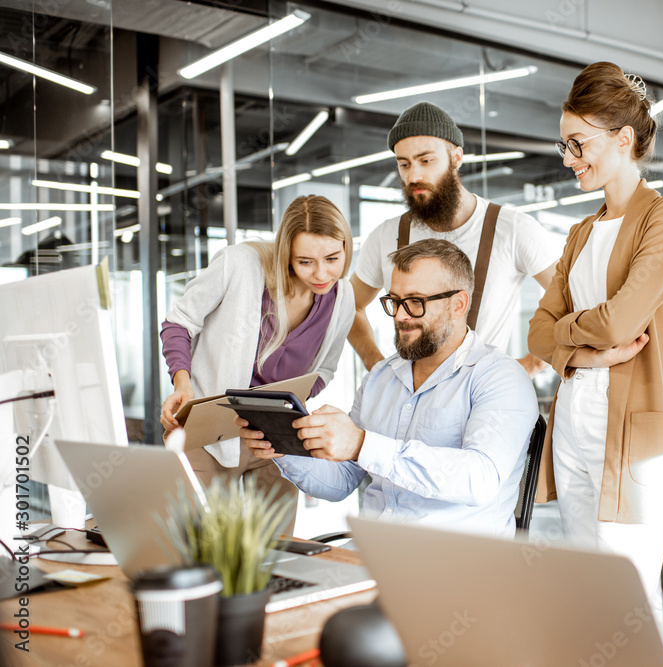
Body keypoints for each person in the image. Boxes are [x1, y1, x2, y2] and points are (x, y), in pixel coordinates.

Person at [527, 62, 663, 615]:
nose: (568, 159)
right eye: (564, 146)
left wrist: (575, 339)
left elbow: (619, 322)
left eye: (577, 143)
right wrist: (585, 352)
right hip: (577, 415)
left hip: (635, 428)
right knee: (586, 581)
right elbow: (536, 332)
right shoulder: (581, 230)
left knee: (628, 590)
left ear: (624, 138)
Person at [243, 239, 538, 537]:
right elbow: (342, 481)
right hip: (373, 555)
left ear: (458, 304)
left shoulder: (500, 378)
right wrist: (284, 446)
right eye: (394, 301)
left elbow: (480, 480)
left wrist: (361, 444)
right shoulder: (381, 377)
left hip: (457, 567)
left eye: (415, 302)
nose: (400, 316)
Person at [160, 195, 355, 527]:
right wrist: (183, 381)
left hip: (275, 436)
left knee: (275, 549)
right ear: (286, 256)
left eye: (333, 258)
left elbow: (324, 370)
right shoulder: (240, 264)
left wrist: (295, 399)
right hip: (211, 430)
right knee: (193, 543)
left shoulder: (342, 298)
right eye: (305, 261)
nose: (322, 273)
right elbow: (179, 322)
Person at [349, 101, 561, 377]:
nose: (413, 175)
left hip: (486, 401)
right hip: (411, 402)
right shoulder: (386, 236)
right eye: (404, 164)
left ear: (456, 157)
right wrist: (376, 366)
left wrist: (532, 363)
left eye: (426, 160)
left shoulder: (512, 228)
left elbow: (570, 298)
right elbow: (350, 307)